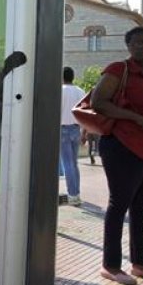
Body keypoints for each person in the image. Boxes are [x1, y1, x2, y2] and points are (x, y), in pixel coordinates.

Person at [90, 26, 143, 285]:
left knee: (141, 207)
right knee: (119, 203)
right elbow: (98, 102)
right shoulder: (119, 69)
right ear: (128, 46)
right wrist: (136, 118)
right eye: (135, 42)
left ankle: (140, 264)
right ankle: (111, 265)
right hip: (122, 144)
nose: (140, 46)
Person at [60, 66, 84, 204]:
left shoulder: (60, 91)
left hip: (63, 128)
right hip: (76, 128)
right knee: (74, 163)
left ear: (62, 77)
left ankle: (72, 195)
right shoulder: (80, 91)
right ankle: (77, 193)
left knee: (67, 163)